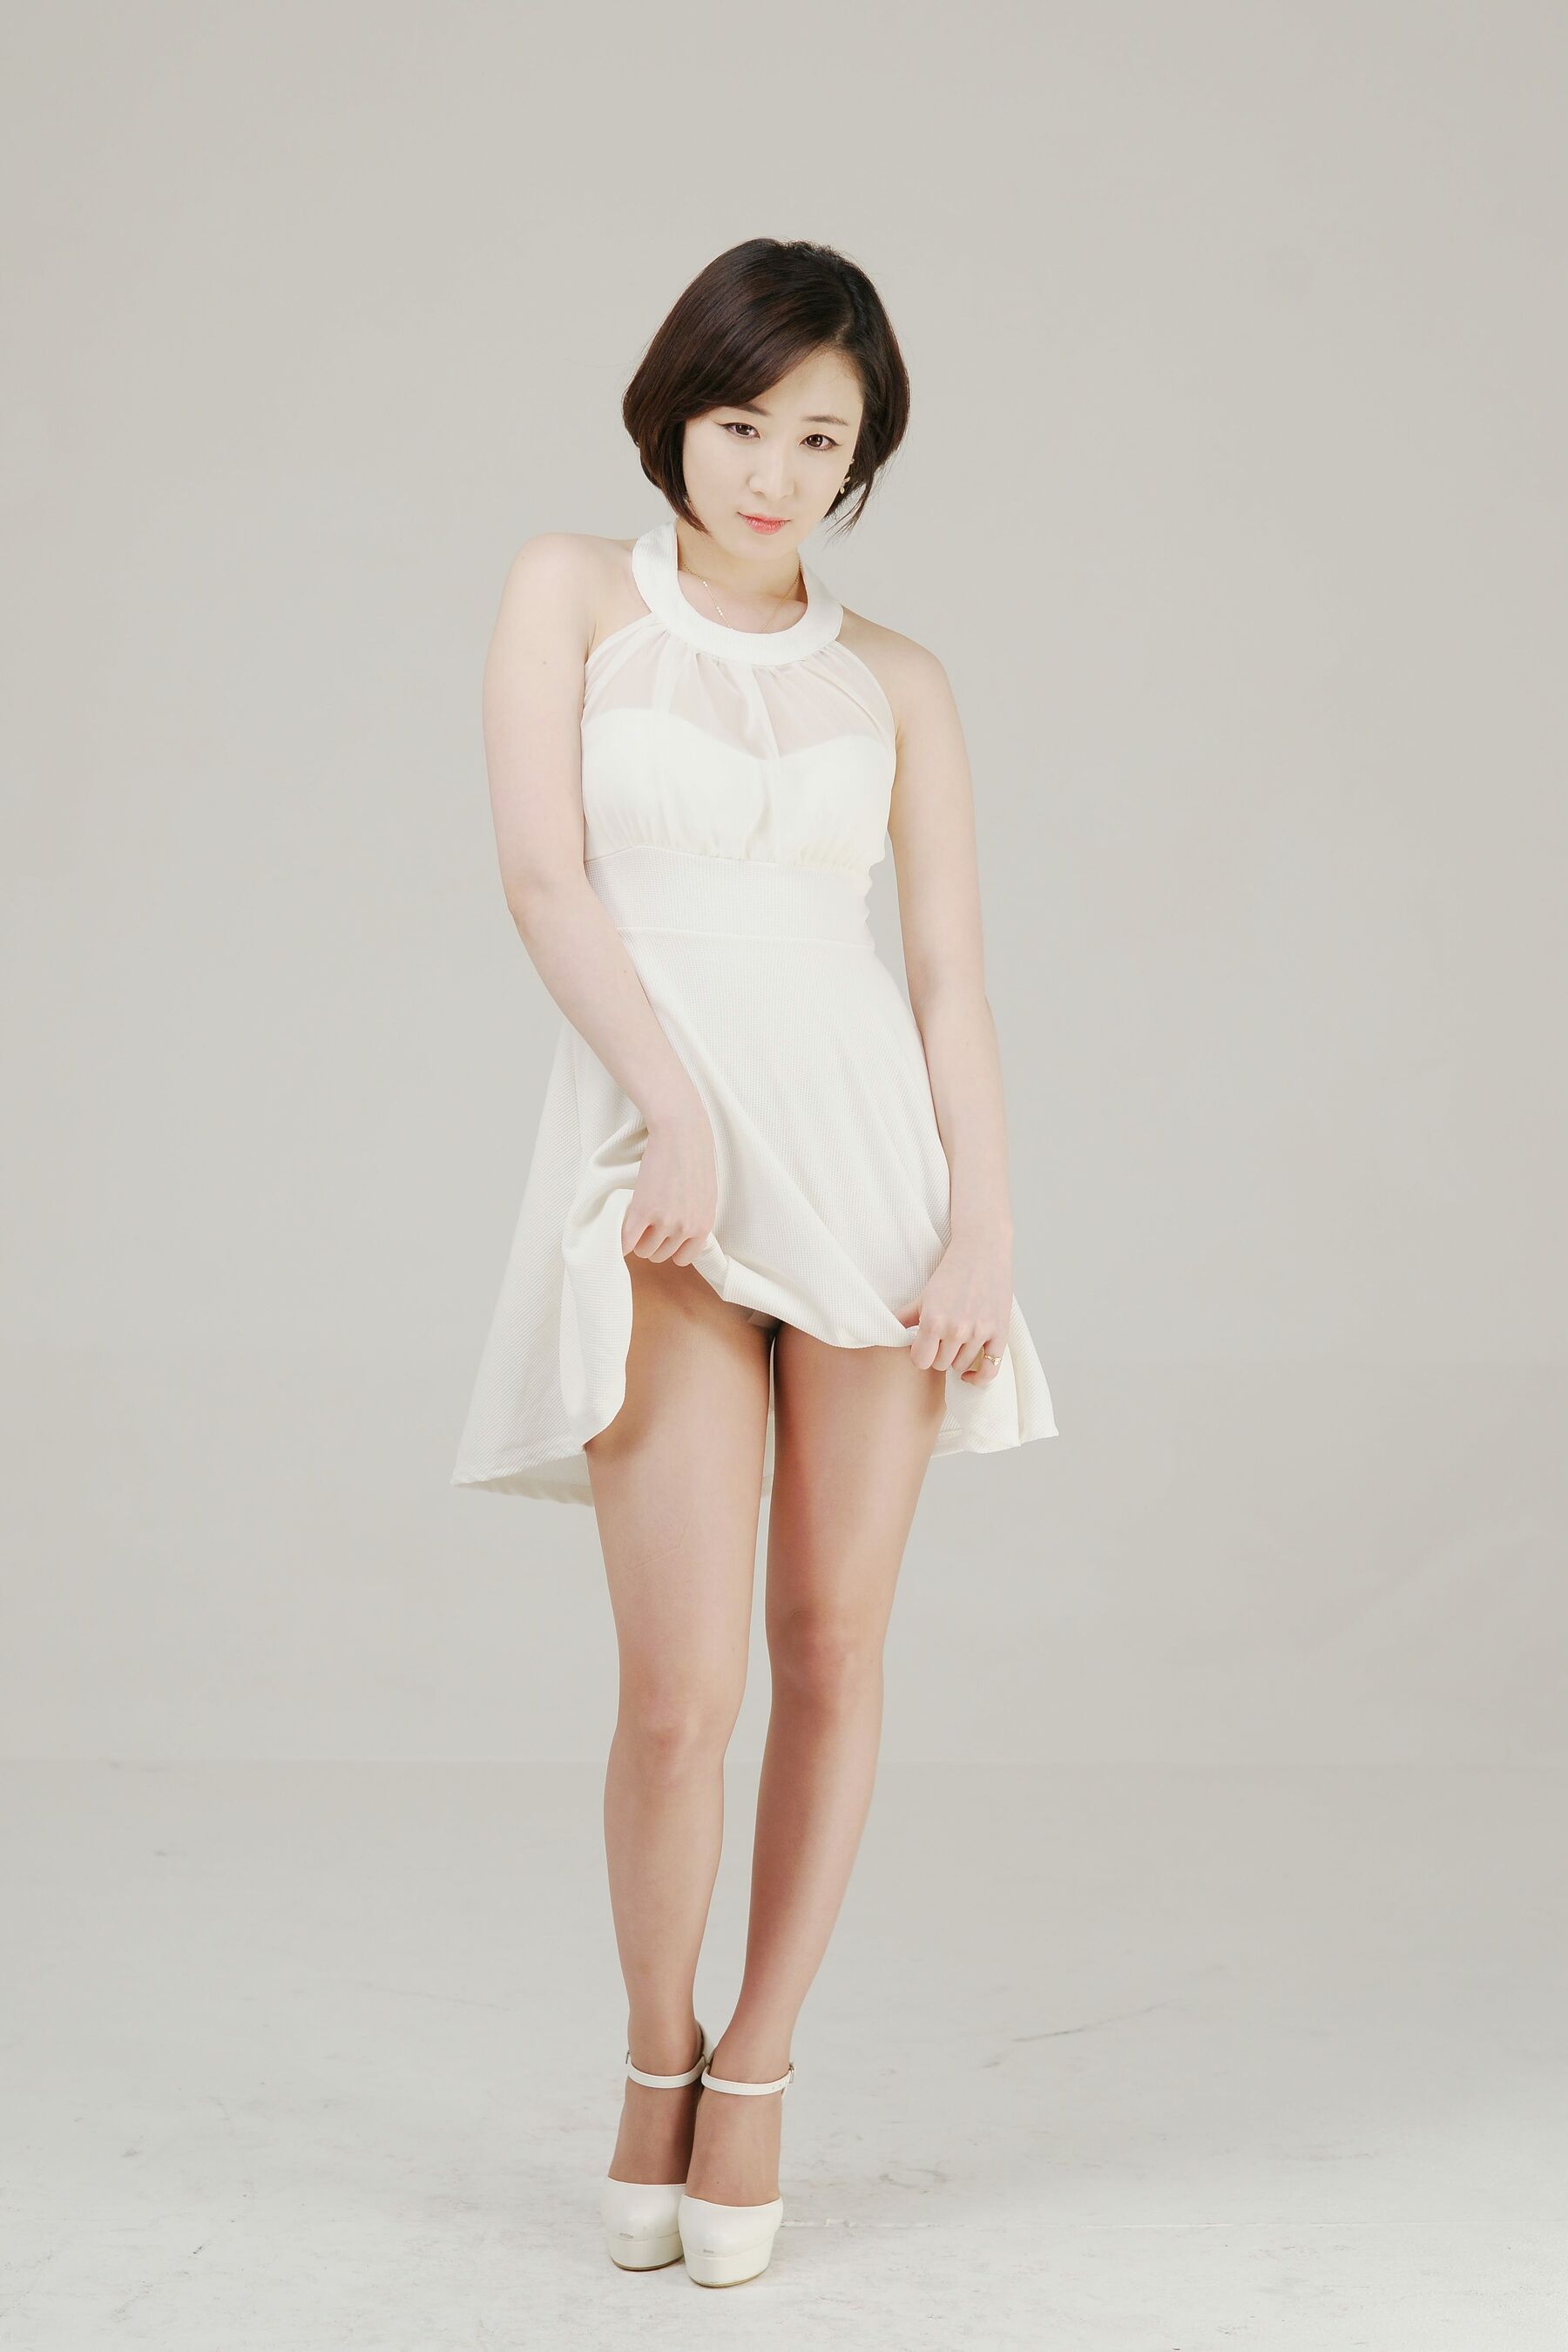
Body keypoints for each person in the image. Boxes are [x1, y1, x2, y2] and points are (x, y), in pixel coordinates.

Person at [450, 237, 1058, 2287]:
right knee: (678, 1691)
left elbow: (948, 979)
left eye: (821, 437)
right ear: (675, 416)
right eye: (742, 425)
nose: (775, 473)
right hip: (667, 1175)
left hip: (874, 1183)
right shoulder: (570, 593)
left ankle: (763, 2069)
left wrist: (983, 1226)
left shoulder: (900, 680)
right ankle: (657, 2054)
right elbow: (544, 876)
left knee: (832, 1649)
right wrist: (674, 1112)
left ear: (864, 453)